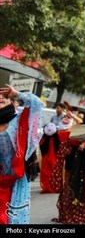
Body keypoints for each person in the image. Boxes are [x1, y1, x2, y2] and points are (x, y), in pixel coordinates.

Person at [50, 110, 85, 224]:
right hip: (74, 162)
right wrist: (79, 142)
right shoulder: (77, 127)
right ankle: (70, 212)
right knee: (70, 188)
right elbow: (69, 139)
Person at [0, 84, 43, 224]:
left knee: (14, 217)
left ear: (12, 102)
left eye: (4, 97)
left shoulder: (18, 120)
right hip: (0, 175)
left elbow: (36, 104)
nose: (0, 98)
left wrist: (17, 93)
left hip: (17, 176)